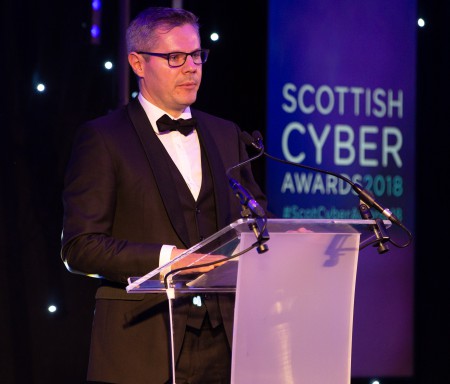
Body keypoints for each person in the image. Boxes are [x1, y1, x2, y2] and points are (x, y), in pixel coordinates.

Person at [61, 6, 269, 384]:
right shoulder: (103, 139)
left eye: (196, 55)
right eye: (175, 57)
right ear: (137, 63)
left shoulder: (226, 134)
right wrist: (167, 259)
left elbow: (253, 221)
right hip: (143, 346)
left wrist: (284, 240)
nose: (191, 67)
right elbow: (80, 247)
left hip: (228, 343)